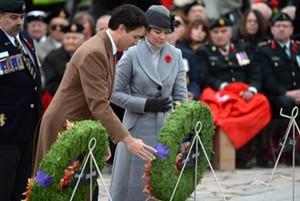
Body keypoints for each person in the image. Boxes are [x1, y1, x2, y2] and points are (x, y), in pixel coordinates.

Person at [33, 4, 156, 174]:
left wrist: (101, 137)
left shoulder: (105, 46)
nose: (135, 43)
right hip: (64, 127)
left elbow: (100, 99)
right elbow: (98, 104)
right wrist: (128, 139)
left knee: (85, 189)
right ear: (121, 28)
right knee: (57, 189)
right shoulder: (96, 52)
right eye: (135, 37)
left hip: (80, 127)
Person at [109, 5, 188, 201]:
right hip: (137, 129)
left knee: (161, 183)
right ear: (146, 30)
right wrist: (144, 104)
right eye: (157, 32)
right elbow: (113, 93)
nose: (162, 37)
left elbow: (181, 94)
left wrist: (184, 123)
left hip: (166, 127)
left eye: (167, 32)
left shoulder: (175, 54)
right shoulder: (132, 54)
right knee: (133, 185)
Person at [197, 17, 271, 168]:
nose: (220, 35)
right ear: (210, 34)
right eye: (216, 32)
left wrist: (252, 89)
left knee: (262, 102)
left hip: (244, 93)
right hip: (221, 93)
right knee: (221, 111)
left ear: (231, 32)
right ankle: (239, 156)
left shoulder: (242, 48)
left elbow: (255, 72)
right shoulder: (204, 51)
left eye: (223, 31)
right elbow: (204, 76)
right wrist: (222, 86)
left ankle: (256, 153)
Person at [0, 0, 42, 200]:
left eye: (21, 18)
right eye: (13, 17)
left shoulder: (25, 40)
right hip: (5, 128)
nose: (19, 22)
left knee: (22, 186)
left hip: (28, 126)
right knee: (3, 185)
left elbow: (33, 82)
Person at [255, 12, 300, 165]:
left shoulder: (298, 48)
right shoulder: (264, 50)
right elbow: (267, 79)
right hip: (276, 95)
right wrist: (288, 93)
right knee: (286, 103)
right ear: (272, 29)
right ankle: (288, 148)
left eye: (285, 26)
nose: (282, 29)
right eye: (278, 26)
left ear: (292, 29)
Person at [43, 23, 85, 98]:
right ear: (63, 40)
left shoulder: (87, 56)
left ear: (82, 40)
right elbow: (50, 85)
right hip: (61, 99)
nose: (70, 41)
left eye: (74, 38)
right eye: (67, 38)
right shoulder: (52, 57)